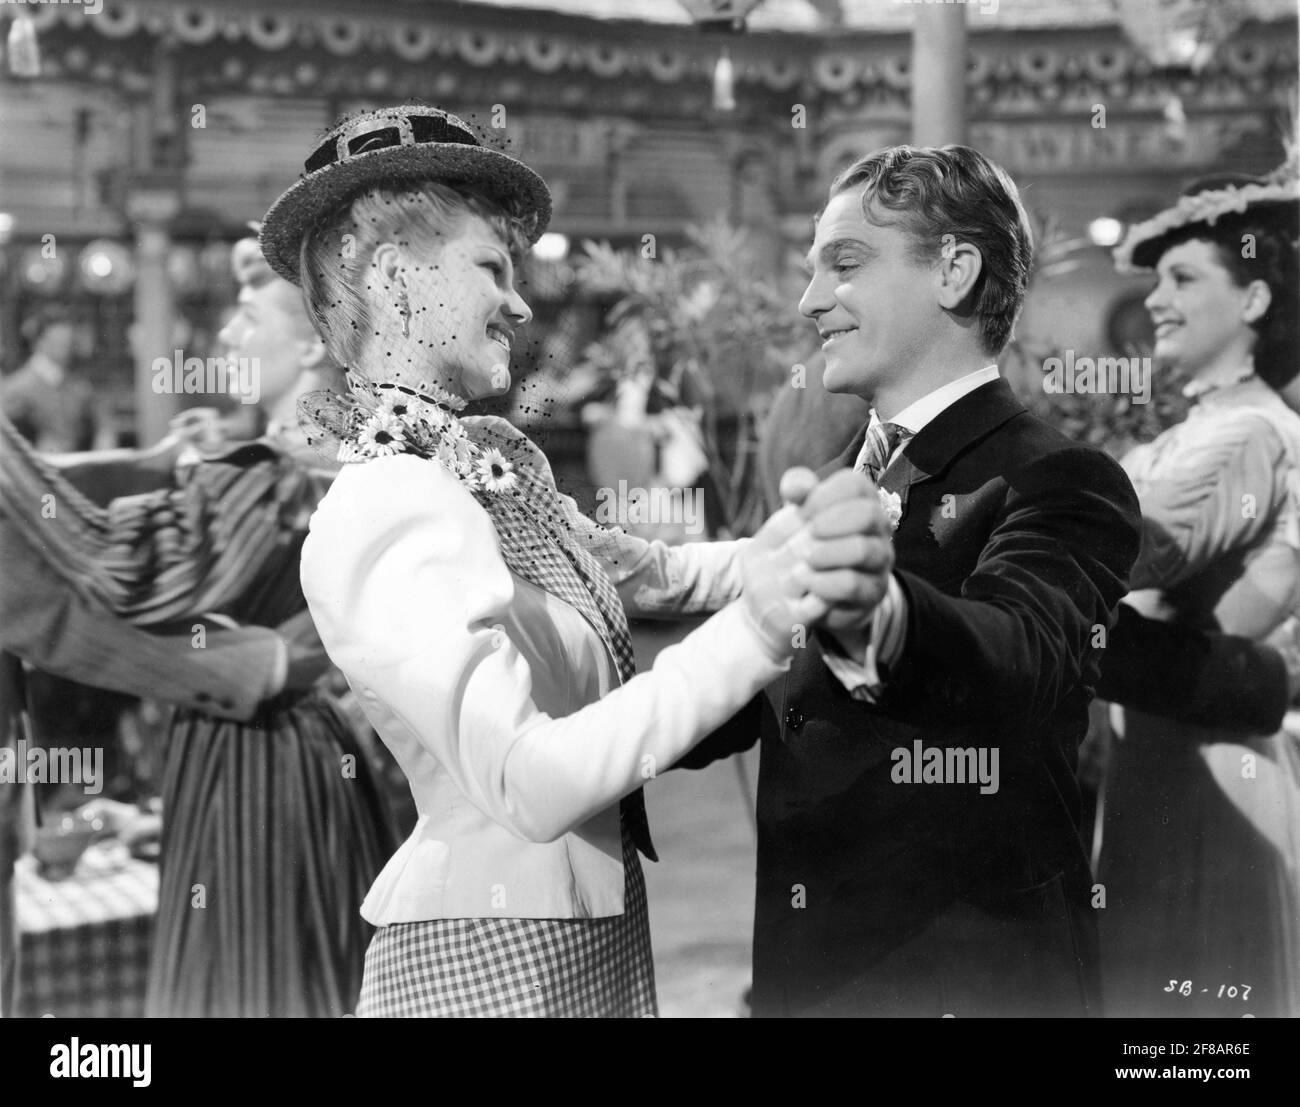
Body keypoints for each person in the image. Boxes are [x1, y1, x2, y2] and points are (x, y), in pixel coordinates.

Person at [258, 105, 887, 1017]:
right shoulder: (387, 503)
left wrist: (814, 535)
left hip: (576, 933)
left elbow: (649, 573)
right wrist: (759, 627)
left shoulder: (483, 466)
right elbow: (528, 779)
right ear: (395, 280)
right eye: (491, 269)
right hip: (486, 960)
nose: (520, 304)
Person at [694, 144, 1144, 1017]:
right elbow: (754, 697)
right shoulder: (835, 473)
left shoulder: (1060, 477)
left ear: (953, 271)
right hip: (813, 974)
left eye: (845, 264)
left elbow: (1017, 658)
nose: (809, 299)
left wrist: (882, 612)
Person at [0, 234, 400, 1017]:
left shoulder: (272, 473)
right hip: (286, 743)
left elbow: (128, 567)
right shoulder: (303, 458)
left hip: (261, 756)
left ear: (315, 349)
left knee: (250, 978)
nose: (224, 337)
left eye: (247, 319)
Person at [1099, 165, 1300, 1017]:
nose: (1156, 300)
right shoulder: (1202, 432)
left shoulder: (1248, 434)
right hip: (1163, 767)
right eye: (1156, 280)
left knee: (1199, 1029)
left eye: (1184, 278)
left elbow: (1118, 557)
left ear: (1253, 300)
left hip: (1211, 781)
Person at [1, 306, 111, 453]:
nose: (66, 347)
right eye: (58, 341)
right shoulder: (17, 387)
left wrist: (104, 438)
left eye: (68, 341)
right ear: (39, 342)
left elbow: (102, 422)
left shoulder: (78, 386)